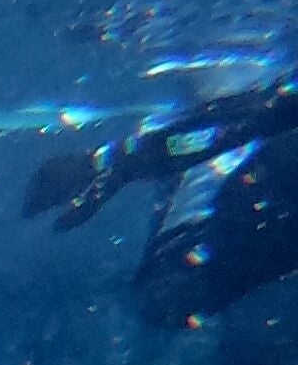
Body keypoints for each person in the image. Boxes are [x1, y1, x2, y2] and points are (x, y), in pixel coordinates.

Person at [22, 60, 298, 325]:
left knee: (168, 294)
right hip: (253, 213)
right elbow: (246, 121)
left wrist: (117, 161)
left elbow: (246, 120)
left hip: (261, 216)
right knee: (166, 295)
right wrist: (115, 161)